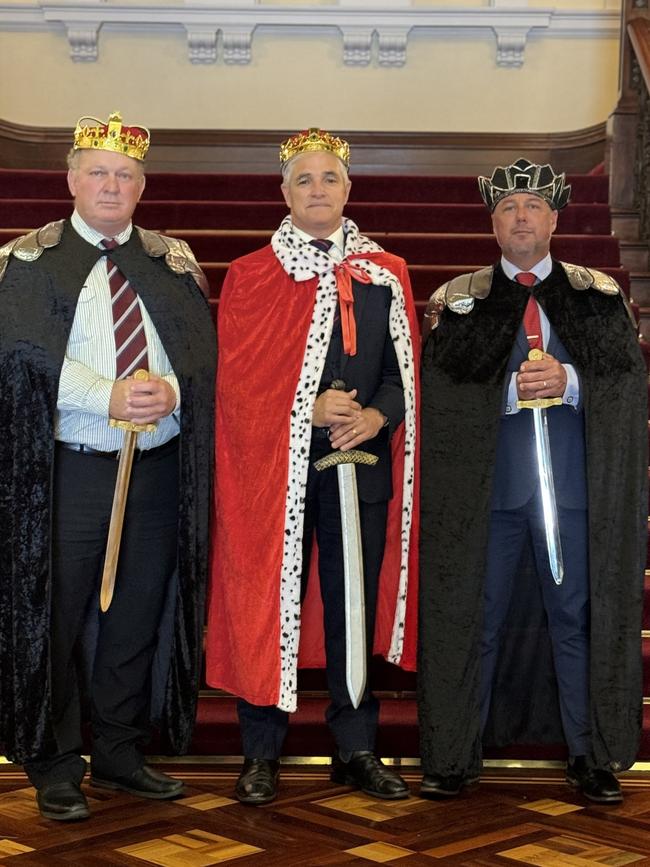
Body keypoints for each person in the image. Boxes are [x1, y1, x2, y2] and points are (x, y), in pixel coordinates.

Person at [0, 111, 216, 821]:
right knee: (56, 615)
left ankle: (121, 752)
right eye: (98, 171)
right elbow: (20, 360)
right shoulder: (23, 263)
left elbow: (203, 360)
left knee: (135, 616)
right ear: (70, 179)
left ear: (142, 186)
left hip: (155, 469)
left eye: (125, 175)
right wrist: (110, 393)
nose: (111, 184)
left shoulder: (171, 262)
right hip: (69, 471)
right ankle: (56, 760)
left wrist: (172, 390)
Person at [418, 158, 647, 804]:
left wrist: (570, 384)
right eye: (509, 208)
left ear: (554, 218)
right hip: (488, 498)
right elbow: (442, 395)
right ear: (494, 223)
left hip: (572, 496)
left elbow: (626, 386)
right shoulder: (461, 301)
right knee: (477, 618)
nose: (521, 217)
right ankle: (457, 755)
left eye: (532, 207)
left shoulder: (595, 298)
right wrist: (508, 395)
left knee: (574, 619)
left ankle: (591, 755)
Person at [206, 128, 420, 805]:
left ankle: (355, 747)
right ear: (284, 192)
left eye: (329, 178)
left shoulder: (386, 271)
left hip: (361, 468)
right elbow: (237, 388)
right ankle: (261, 751)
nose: (319, 189)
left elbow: (399, 371)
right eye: (305, 179)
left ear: (349, 189)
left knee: (352, 609)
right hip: (278, 473)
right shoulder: (252, 274)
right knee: (270, 601)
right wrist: (310, 405)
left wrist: (377, 416)